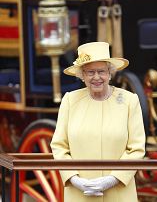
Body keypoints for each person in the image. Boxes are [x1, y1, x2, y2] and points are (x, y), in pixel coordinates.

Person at [50, 42, 146, 201]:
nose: (96, 77)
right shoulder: (69, 100)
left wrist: (112, 179)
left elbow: (136, 148)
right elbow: (59, 146)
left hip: (119, 193)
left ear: (110, 73)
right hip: (80, 194)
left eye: (101, 71)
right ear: (82, 75)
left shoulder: (129, 101)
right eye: (90, 72)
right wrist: (75, 179)